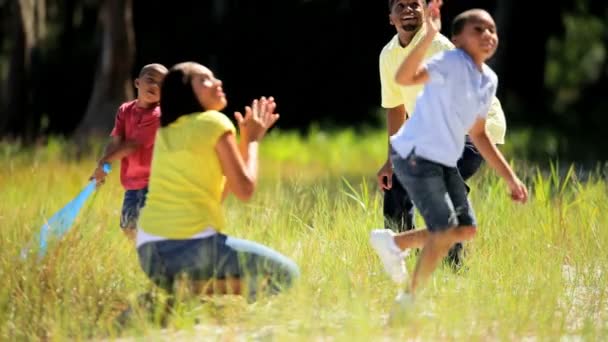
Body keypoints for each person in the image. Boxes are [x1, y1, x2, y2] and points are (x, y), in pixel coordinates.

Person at [370, 3, 528, 307]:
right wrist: (391, 157)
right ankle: (404, 263)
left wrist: (511, 178)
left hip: (468, 135)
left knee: (458, 222)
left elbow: (478, 133)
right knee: (402, 191)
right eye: (400, 5)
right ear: (389, 17)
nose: (408, 10)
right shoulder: (390, 54)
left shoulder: (443, 51)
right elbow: (395, 106)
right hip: (435, 136)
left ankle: (407, 252)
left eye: (415, 4)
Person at [136, 62, 299, 301]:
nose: (217, 82)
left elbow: (218, 194)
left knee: (256, 279)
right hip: (189, 249)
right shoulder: (213, 122)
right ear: (185, 91)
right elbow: (245, 190)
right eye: (204, 80)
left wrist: (243, 141)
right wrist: (253, 141)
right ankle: (194, 291)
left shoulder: (166, 132)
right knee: (287, 274)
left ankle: (182, 292)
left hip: (150, 256)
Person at [91, 63, 169, 241]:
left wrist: (106, 163)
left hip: (155, 183)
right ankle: (141, 262)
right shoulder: (125, 110)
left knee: (148, 228)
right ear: (137, 83)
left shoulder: (158, 115)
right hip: (132, 183)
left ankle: (157, 260)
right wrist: (102, 168)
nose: (155, 86)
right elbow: (115, 143)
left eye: (161, 84)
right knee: (128, 228)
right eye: (150, 80)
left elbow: (133, 145)